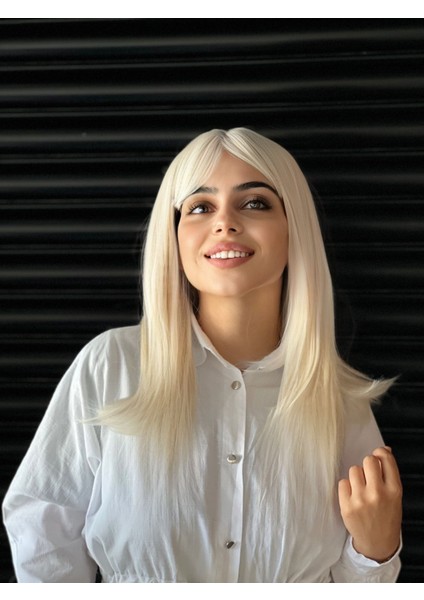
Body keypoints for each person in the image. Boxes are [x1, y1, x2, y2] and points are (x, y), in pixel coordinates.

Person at [2, 128, 402, 583]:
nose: (225, 222)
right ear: (173, 234)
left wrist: (376, 551)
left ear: (295, 228)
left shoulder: (338, 399)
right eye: (200, 207)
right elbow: (43, 528)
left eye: (255, 203)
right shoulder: (111, 366)